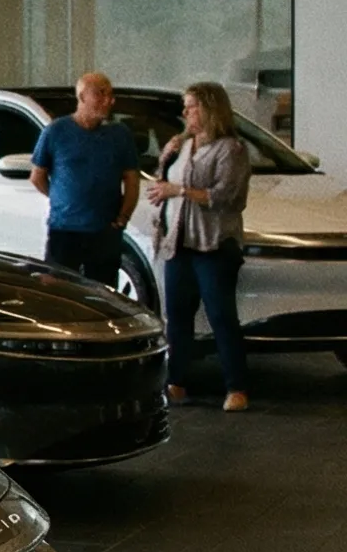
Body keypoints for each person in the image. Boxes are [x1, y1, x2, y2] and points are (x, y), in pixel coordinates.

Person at [152, 80, 254, 412]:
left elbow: (226, 196)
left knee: (221, 316)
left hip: (213, 244)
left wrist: (178, 190)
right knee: (178, 317)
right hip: (179, 242)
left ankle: (236, 387)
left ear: (209, 109)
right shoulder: (183, 144)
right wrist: (165, 160)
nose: (185, 112)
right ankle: (176, 381)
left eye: (191, 106)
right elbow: (162, 184)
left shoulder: (231, 149)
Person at [30, 71, 142, 290]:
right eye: (100, 94)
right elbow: (37, 176)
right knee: (59, 291)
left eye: (110, 95)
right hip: (65, 229)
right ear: (82, 97)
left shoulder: (119, 135)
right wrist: (61, 198)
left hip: (104, 231)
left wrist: (122, 218)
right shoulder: (56, 131)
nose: (109, 101)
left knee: (102, 294)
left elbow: (132, 180)